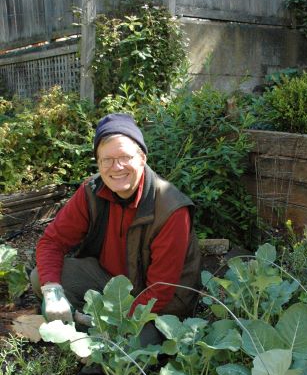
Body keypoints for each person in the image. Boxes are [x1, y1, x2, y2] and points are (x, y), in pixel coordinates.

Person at [31, 112, 201, 345]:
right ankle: (88, 329)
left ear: (142, 157)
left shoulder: (171, 209)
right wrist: (52, 293)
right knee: (41, 277)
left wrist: (110, 321)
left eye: (124, 157)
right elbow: (52, 242)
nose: (116, 167)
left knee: (132, 348)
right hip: (110, 283)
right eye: (107, 159)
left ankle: (93, 333)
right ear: (98, 163)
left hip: (158, 305)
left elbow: (160, 292)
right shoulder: (91, 192)